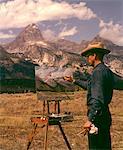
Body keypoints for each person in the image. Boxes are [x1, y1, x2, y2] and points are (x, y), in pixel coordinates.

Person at [64, 42, 114, 150]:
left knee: (96, 147)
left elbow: (97, 98)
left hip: (98, 118)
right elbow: (91, 86)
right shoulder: (105, 71)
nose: (87, 59)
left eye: (88, 56)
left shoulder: (98, 72)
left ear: (94, 55)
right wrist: (74, 81)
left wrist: (90, 119)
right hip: (104, 115)